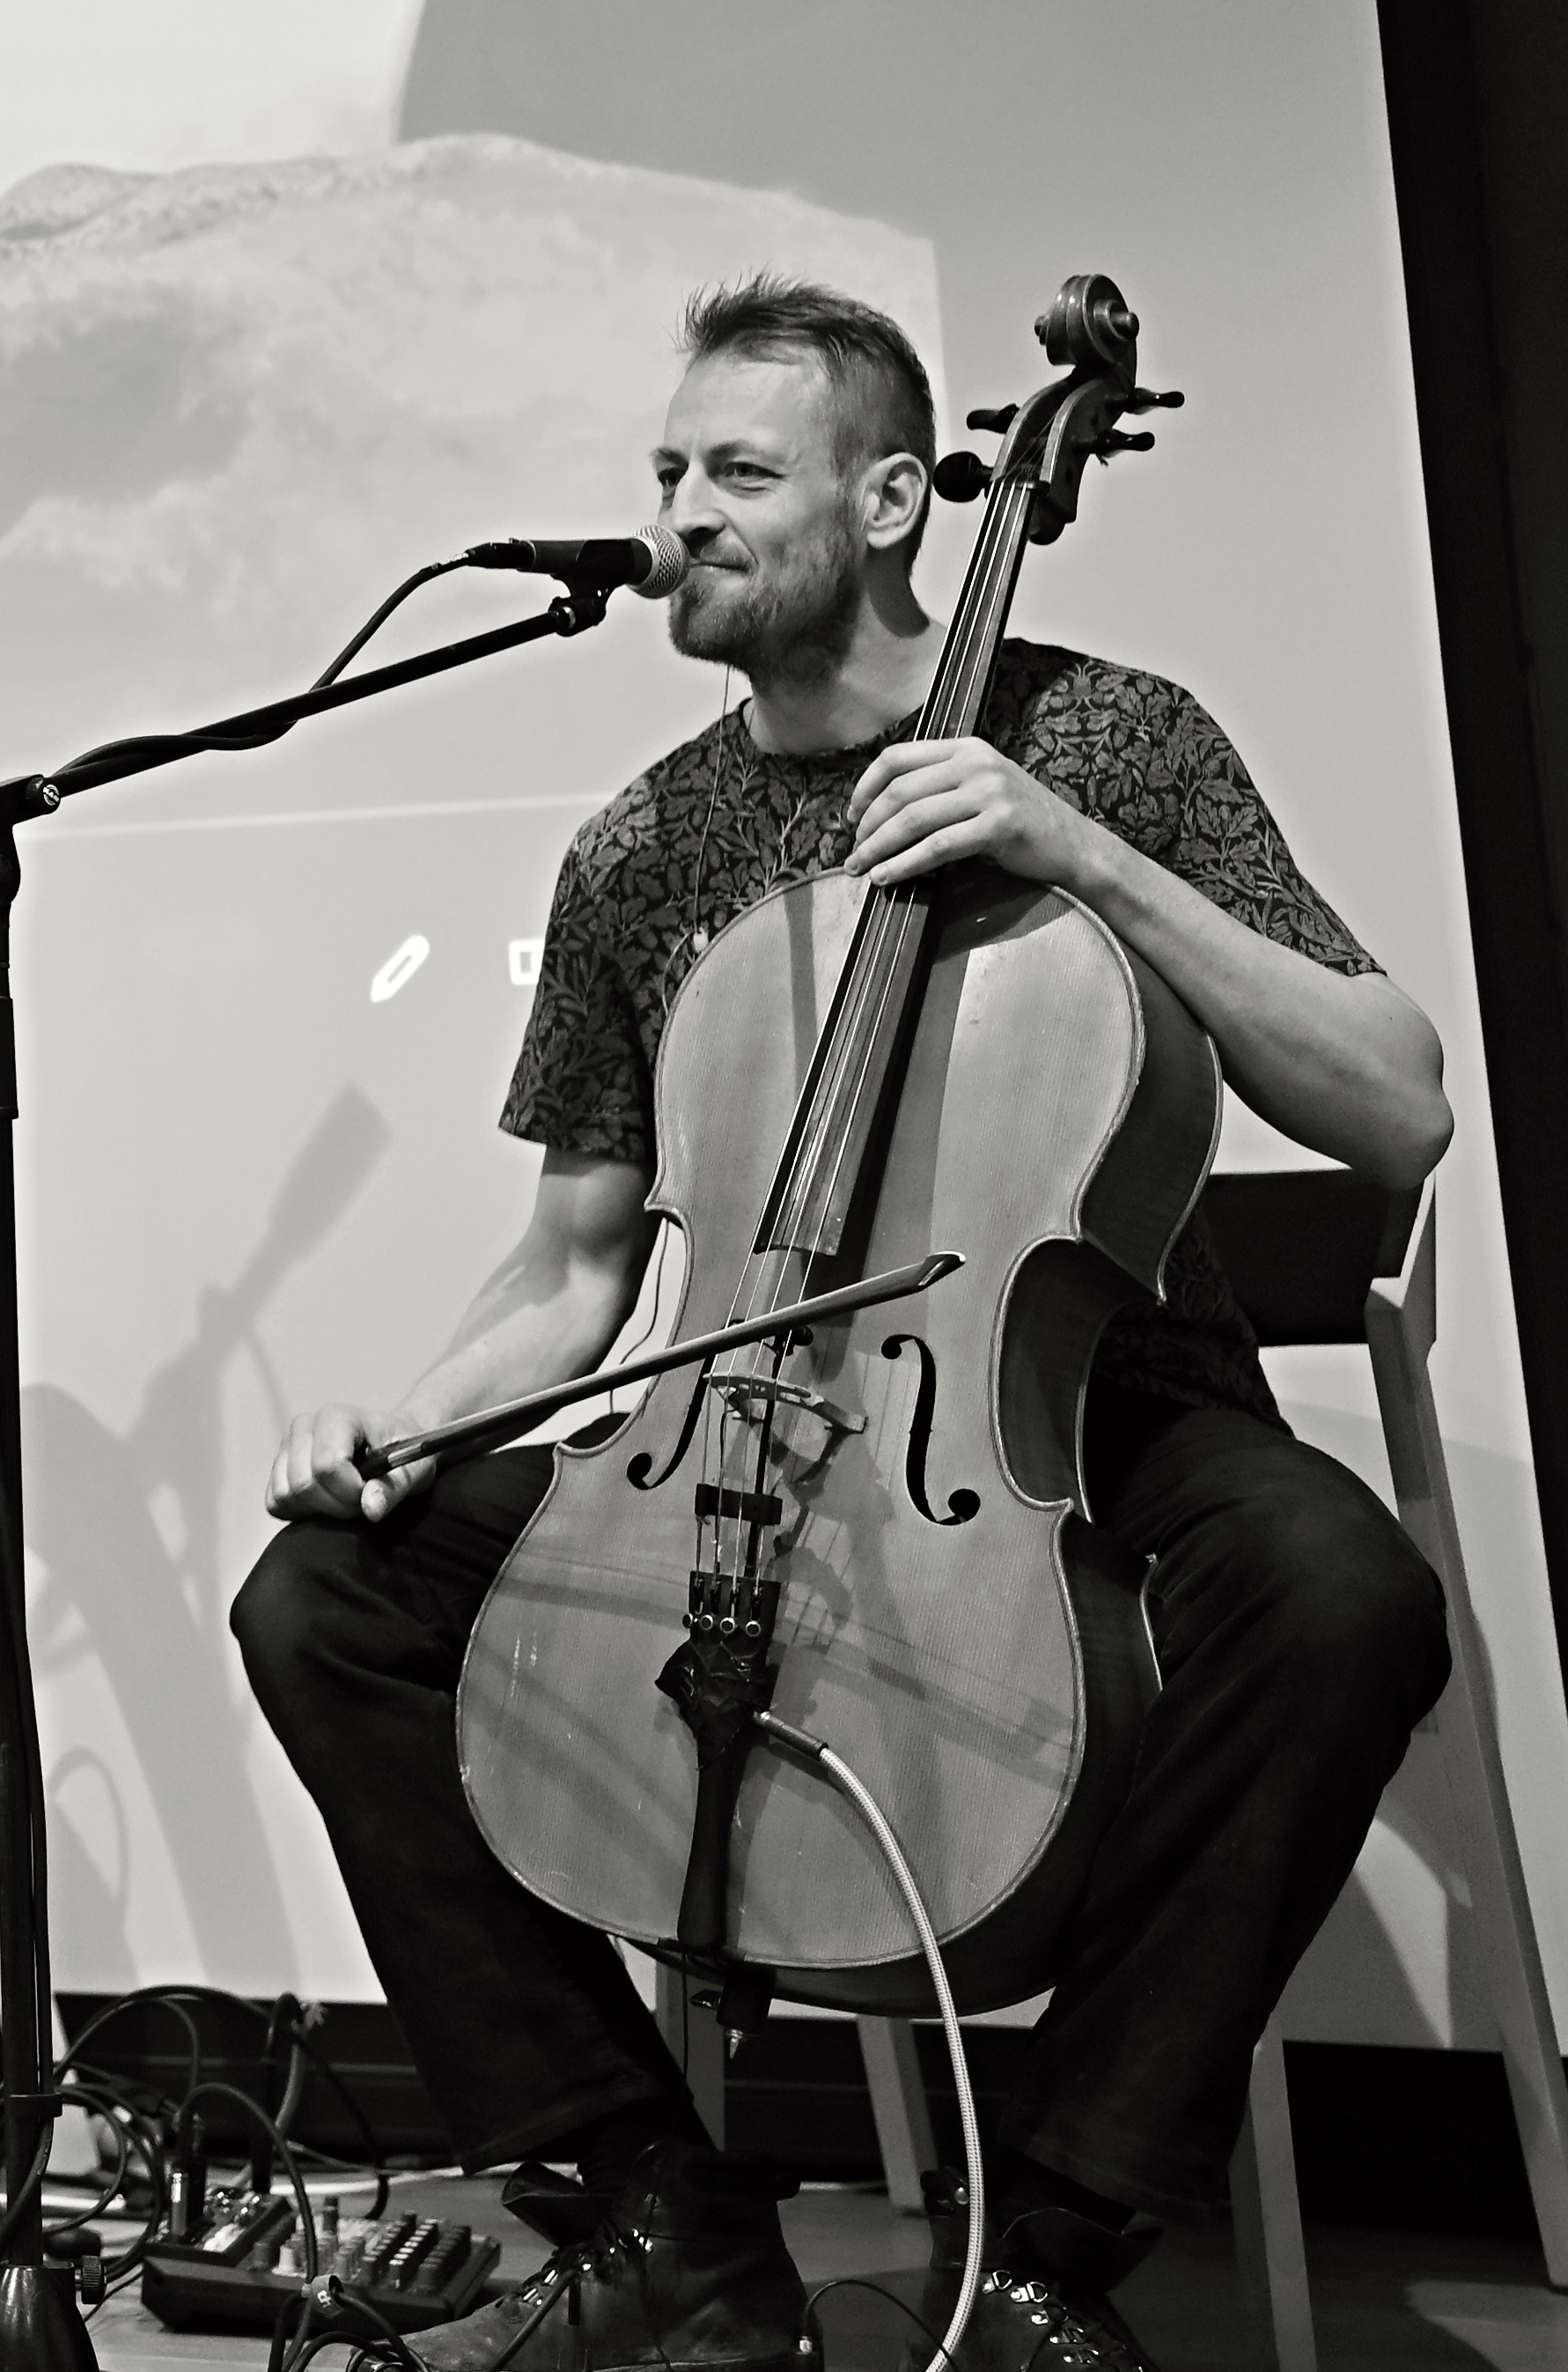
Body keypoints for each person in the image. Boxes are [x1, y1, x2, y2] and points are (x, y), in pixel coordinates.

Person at [235, 280, 1455, 2371]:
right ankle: (655, 2216)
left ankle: (1044, 2247)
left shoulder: (1112, 739)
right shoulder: (641, 848)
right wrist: (407, 1426)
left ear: (894, 501)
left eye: (736, 470)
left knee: (1342, 1596)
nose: (678, 515)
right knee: (321, 1599)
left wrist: (1073, 854)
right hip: (731, 1418)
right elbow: (573, 1270)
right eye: (665, 472)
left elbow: (1394, 1104)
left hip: (1096, 1401)